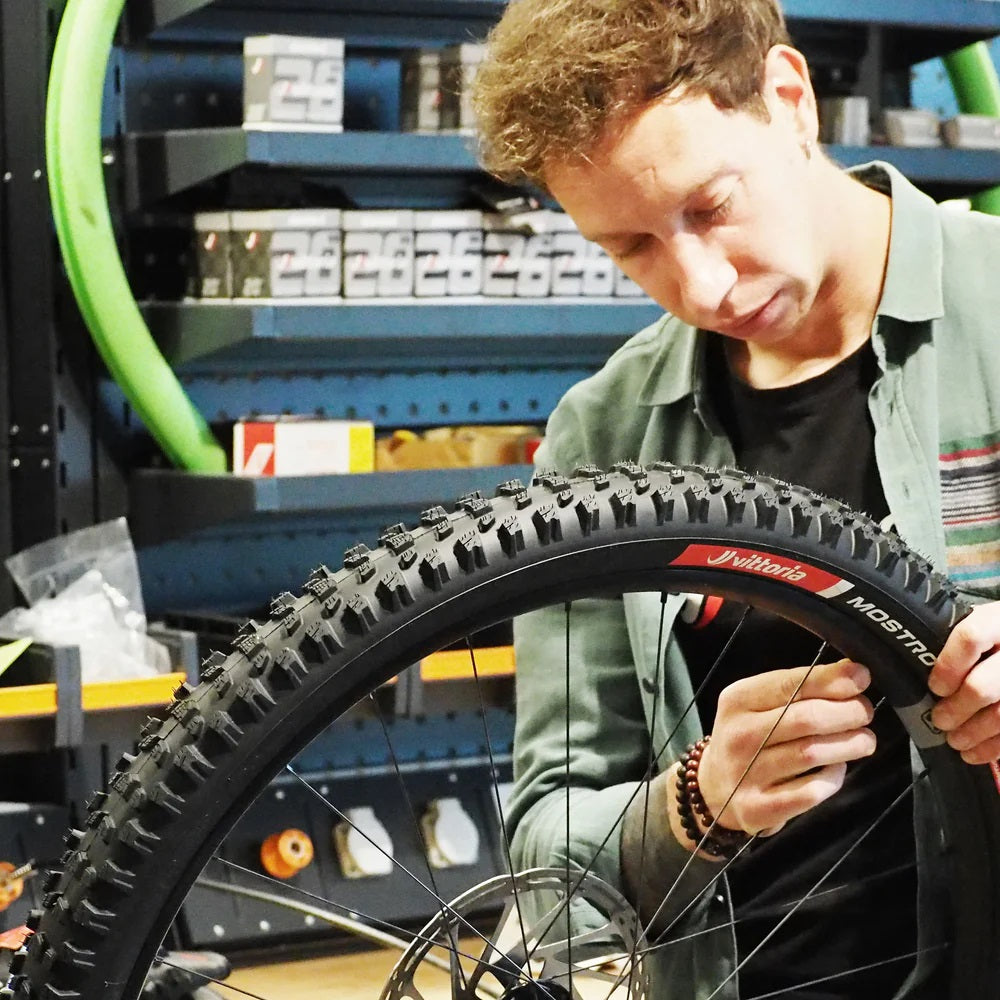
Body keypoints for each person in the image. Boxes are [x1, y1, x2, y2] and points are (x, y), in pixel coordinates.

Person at [470, 1, 1000, 997]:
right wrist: (697, 800)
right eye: (630, 247)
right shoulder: (606, 437)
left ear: (790, 100)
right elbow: (545, 849)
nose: (702, 286)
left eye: (711, 207)